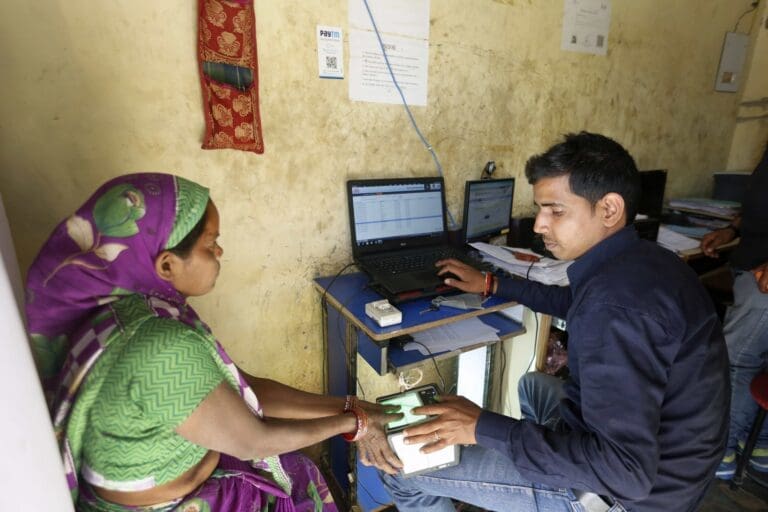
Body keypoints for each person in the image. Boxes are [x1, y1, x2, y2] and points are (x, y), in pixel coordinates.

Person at [376, 132, 729, 511]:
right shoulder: (642, 260)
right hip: (679, 465)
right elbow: (571, 301)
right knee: (532, 387)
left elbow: (626, 472)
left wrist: (480, 426)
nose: (541, 225)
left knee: (399, 470)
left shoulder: (615, 306)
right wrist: (492, 283)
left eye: (555, 210)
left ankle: (555, 496)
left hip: (626, 495)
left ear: (609, 209)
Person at [25, 173, 401, 511]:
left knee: (297, 469)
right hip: (171, 503)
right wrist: (355, 424)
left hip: (185, 477)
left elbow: (244, 389)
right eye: (210, 244)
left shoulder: (135, 311)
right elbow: (254, 441)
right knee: (295, 474)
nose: (219, 253)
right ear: (167, 264)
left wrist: (349, 405)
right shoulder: (160, 345)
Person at [700, 142, 768, 480]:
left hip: (763, 282)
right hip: (750, 268)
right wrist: (732, 230)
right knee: (756, 361)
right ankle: (758, 447)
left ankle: (720, 454)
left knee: (736, 361)